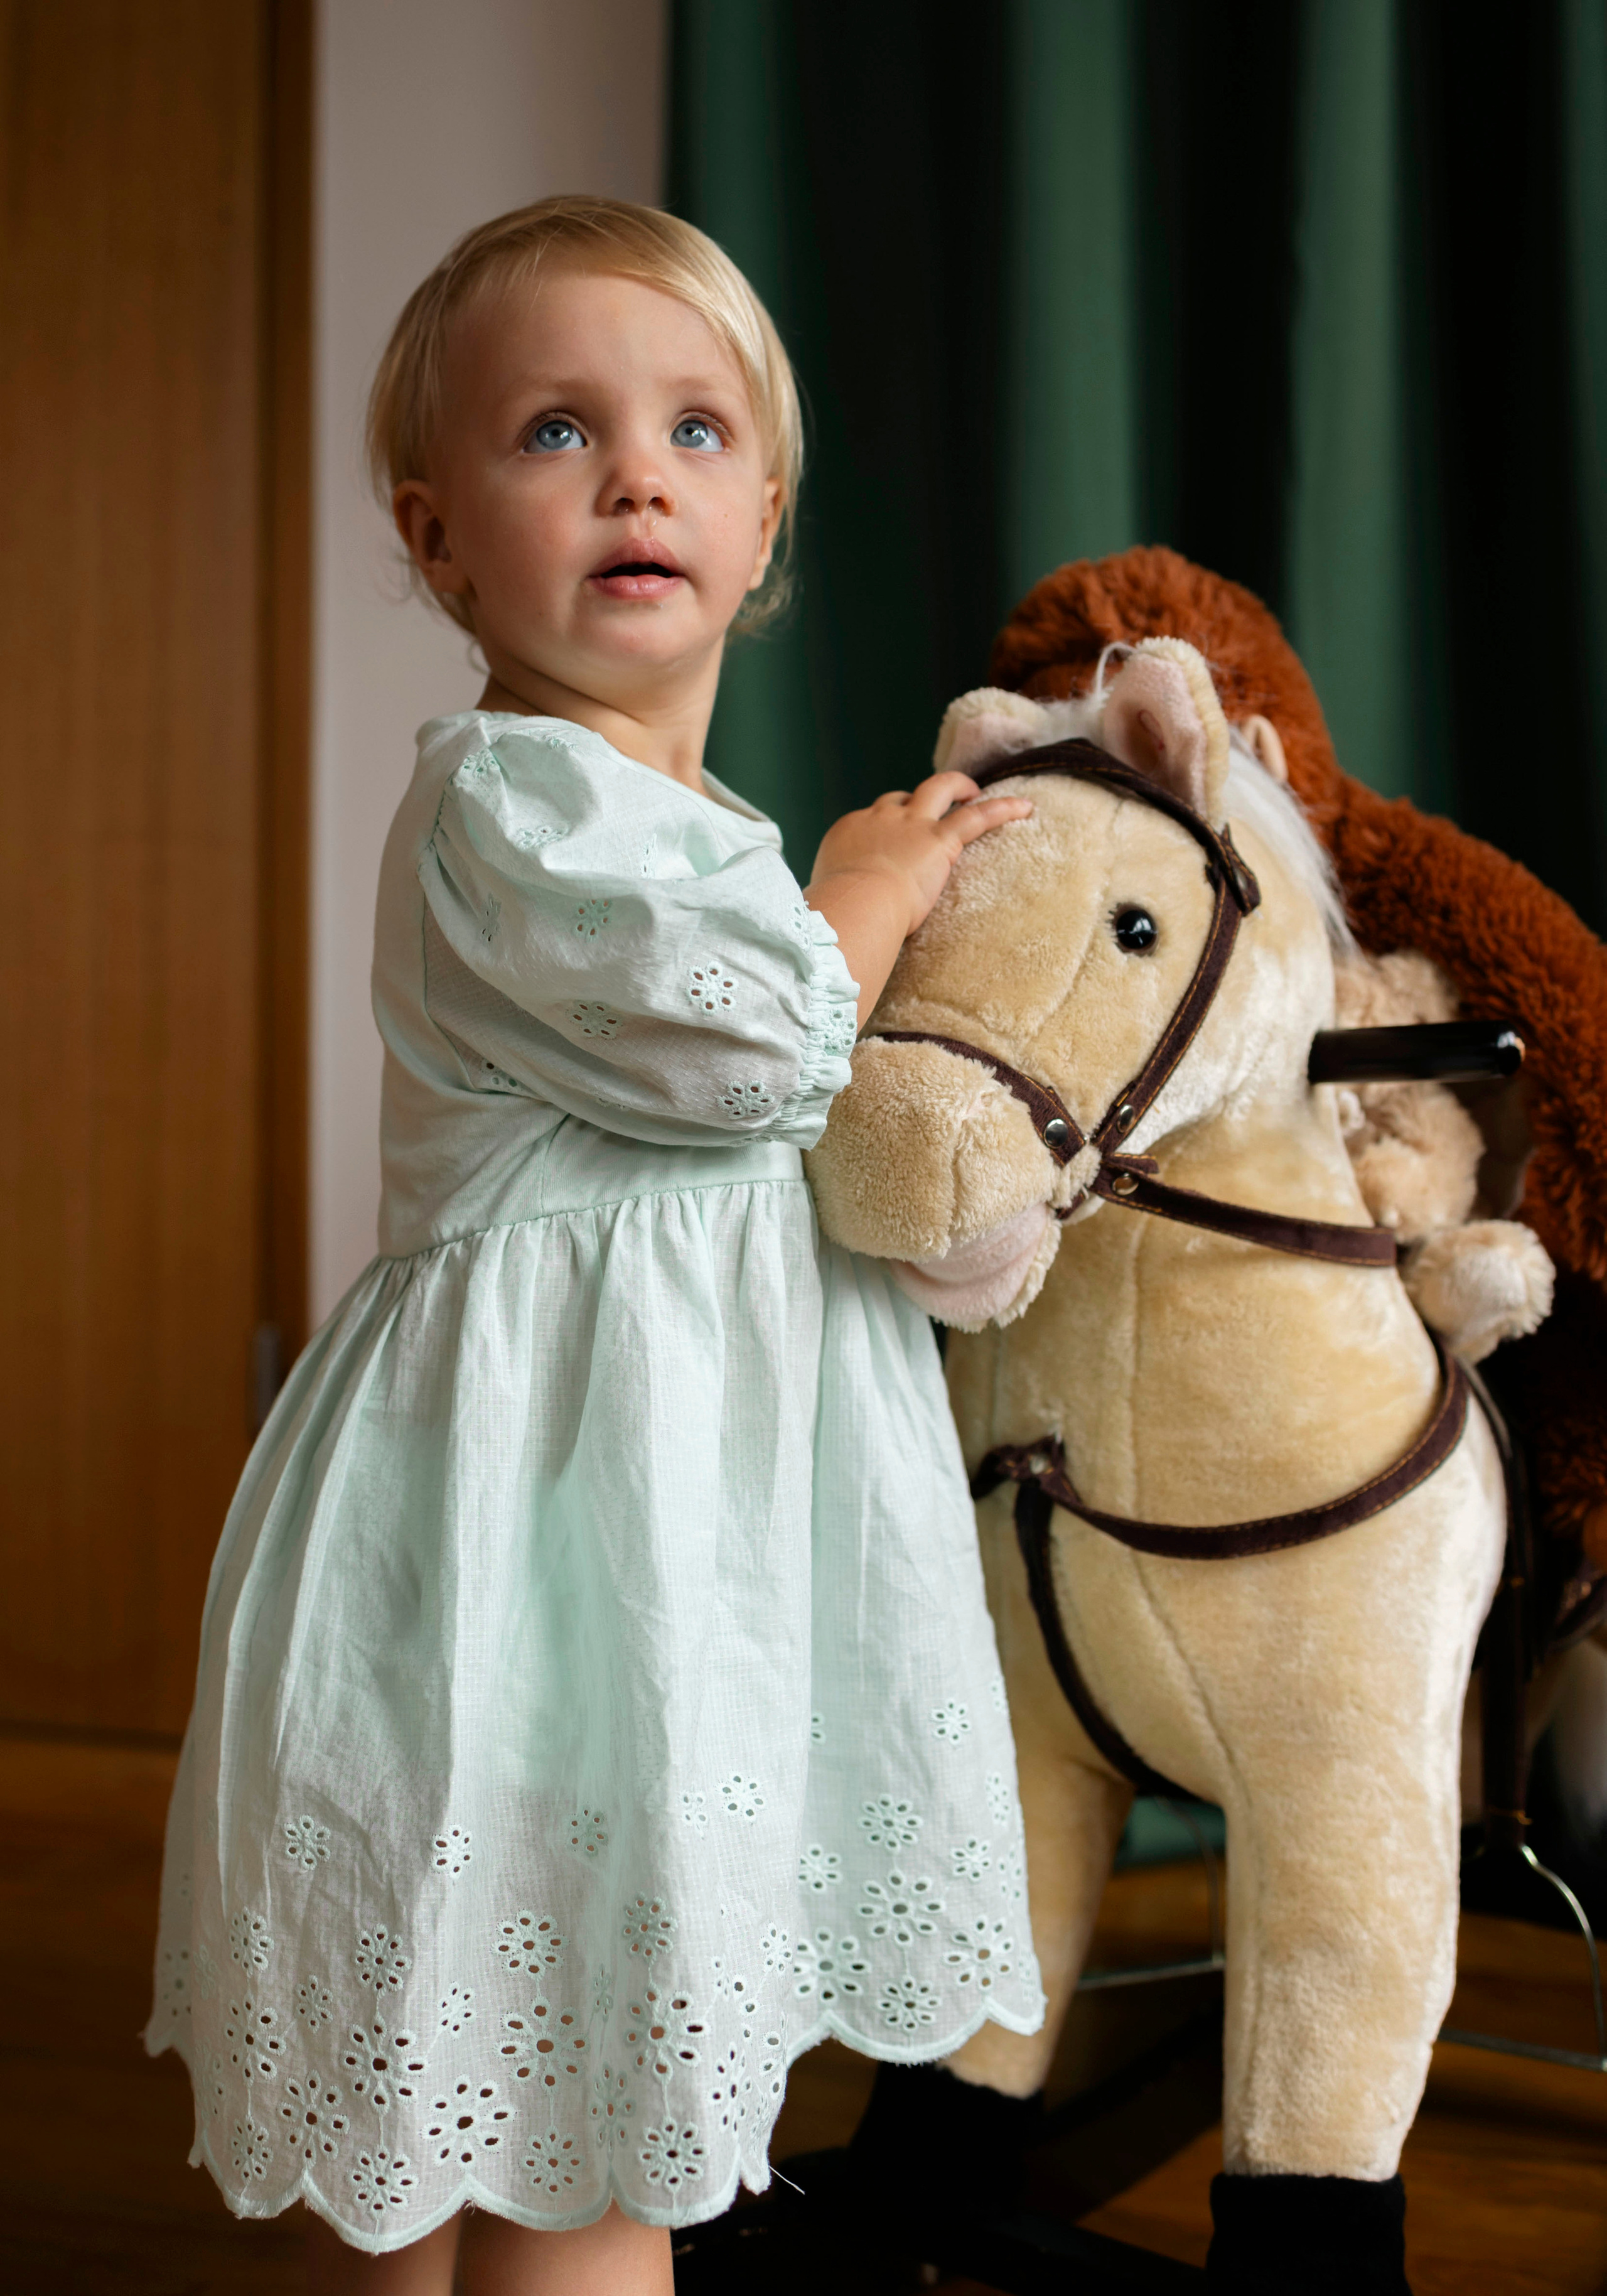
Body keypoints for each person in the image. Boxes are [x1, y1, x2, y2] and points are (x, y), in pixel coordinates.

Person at [144, 196, 1043, 2294]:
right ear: (439, 536)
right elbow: (764, 1054)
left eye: (695, 431)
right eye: (557, 431)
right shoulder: (517, 805)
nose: (637, 473)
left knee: (602, 2113)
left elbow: (809, 1144)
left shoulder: (705, 842)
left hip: (674, 1582)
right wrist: (872, 887)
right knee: (458, 2111)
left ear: (764, 523)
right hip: (514, 1566)